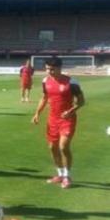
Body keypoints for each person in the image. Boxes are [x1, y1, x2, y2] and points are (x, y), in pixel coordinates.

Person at [32, 57, 84, 189]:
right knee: (52, 147)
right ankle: (60, 174)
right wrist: (37, 113)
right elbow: (44, 97)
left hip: (67, 119)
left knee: (63, 147)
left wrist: (71, 111)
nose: (49, 71)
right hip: (52, 119)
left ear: (60, 68)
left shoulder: (71, 82)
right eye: (47, 68)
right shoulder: (45, 81)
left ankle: (67, 176)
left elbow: (81, 101)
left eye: (52, 69)